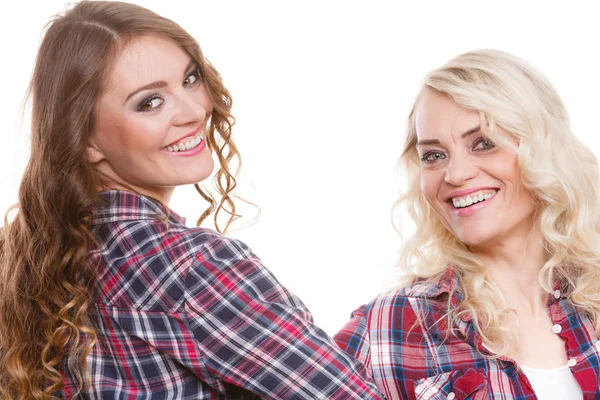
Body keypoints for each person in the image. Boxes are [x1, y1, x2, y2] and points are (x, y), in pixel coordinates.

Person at [0, 2, 384, 399]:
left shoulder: (22, 263)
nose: (193, 110)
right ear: (86, 140)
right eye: (149, 102)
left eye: (190, 78)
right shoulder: (190, 268)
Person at [335, 49, 600, 400]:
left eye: (484, 143)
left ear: (545, 150)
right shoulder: (388, 328)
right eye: (434, 155)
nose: (456, 174)